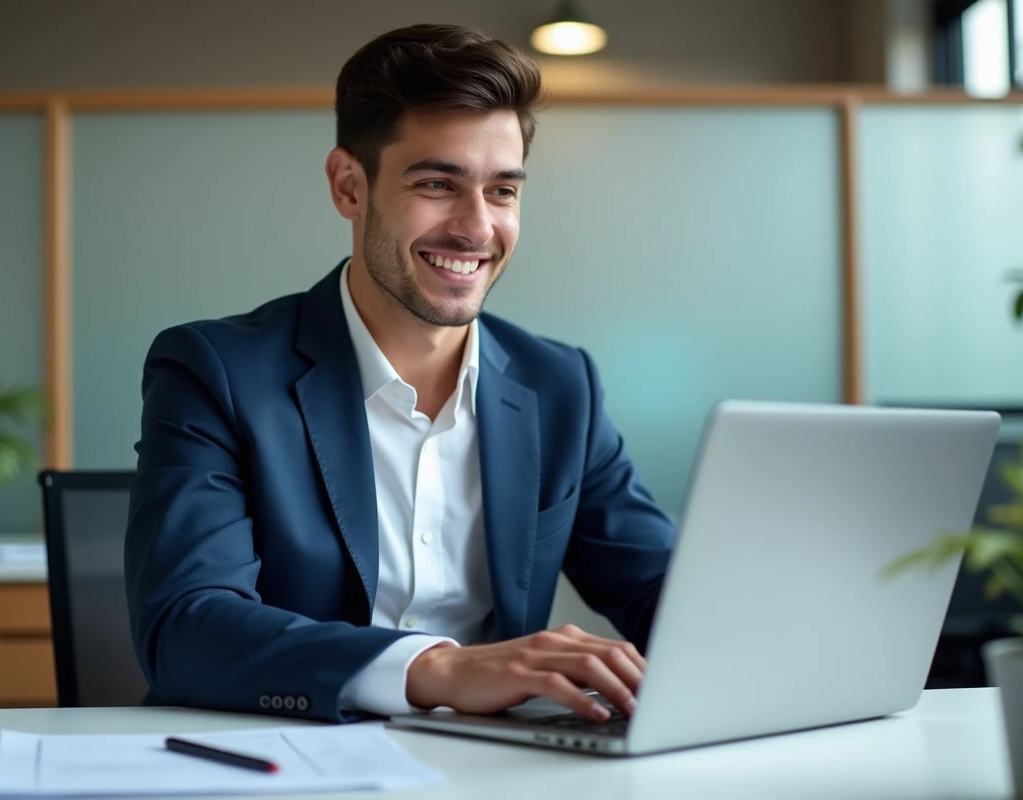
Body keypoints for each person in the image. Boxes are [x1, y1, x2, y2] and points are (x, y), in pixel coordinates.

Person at [124, 23, 676, 725]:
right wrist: (438, 669)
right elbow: (185, 627)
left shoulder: (560, 385)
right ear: (349, 186)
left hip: (495, 768)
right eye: (438, 183)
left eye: (502, 191)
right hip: (285, 760)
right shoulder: (216, 372)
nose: (476, 228)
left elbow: (665, 591)